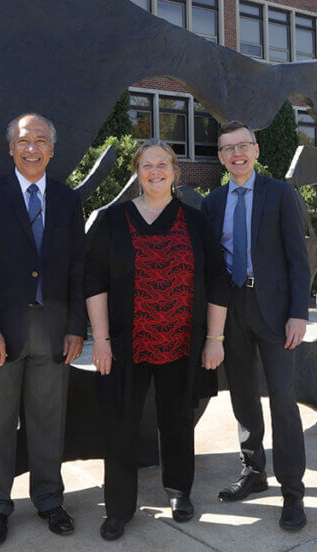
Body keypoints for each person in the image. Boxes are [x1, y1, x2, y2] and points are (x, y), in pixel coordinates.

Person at [84, 139, 228, 541]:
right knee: (120, 426)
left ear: (174, 170)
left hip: (183, 344)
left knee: (178, 421)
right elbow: (93, 280)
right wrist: (101, 339)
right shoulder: (113, 220)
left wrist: (214, 338)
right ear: (137, 171)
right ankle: (118, 509)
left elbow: (217, 279)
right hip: (126, 345)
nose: (155, 171)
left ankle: (179, 491)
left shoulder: (195, 221)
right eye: (146, 165)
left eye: (162, 164)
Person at [0, 113, 85, 547]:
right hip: (0, 334)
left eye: (41, 141)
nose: (32, 148)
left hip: (52, 332)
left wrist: (75, 328)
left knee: (48, 421)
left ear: (52, 150)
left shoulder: (68, 201)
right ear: (11, 148)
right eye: (24, 141)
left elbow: (77, 270)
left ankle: (50, 501)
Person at [200, 120, 311, 531]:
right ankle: (253, 472)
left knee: (282, 399)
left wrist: (299, 313)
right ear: (220, 157)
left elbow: (299, 260)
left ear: (256, 150)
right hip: (233, 309)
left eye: (243, 145)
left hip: (277, 312)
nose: (236, 153)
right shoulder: (212, 203)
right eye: (228, 148)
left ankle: (293, 492)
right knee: (243, 397)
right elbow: (213, 266)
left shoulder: (280, 194)